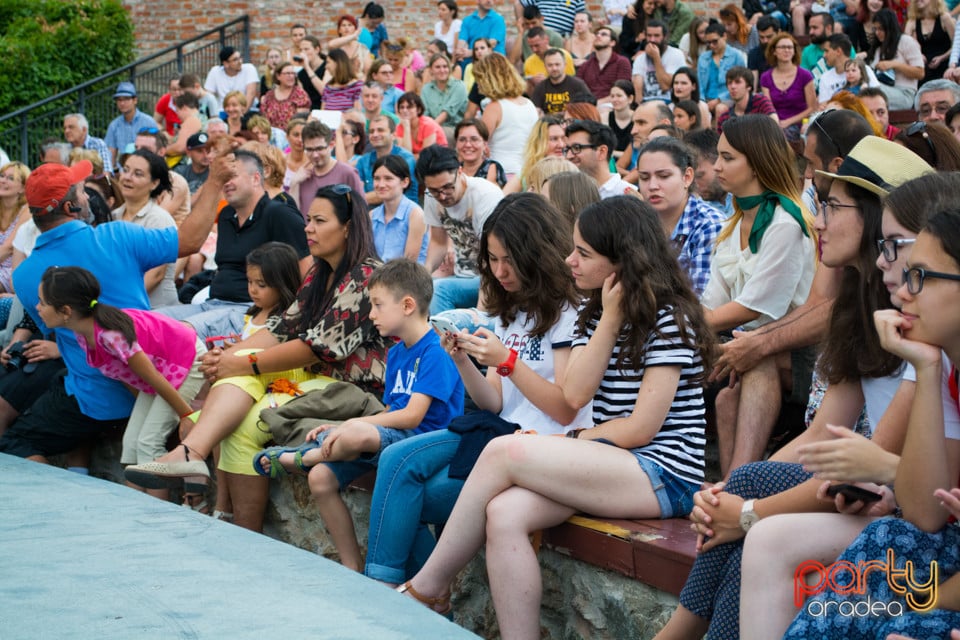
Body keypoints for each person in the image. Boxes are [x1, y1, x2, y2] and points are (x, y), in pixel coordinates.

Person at [658, 130, 937, 640]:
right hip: (863, 486)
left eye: (831, 206)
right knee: (742, 488)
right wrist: (731, 499)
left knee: (756, 521)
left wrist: (742, 514)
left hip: (891, 500)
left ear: (876, 220)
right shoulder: (859, 306)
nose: (819, 220)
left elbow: (869, 461)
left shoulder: (919, 320)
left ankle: (680, 634)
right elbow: (820, 437)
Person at [396, 194, 713, 638]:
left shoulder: (670, 318)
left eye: (583, 253)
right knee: (504, 513)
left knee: (502, 450)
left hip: (662, 472)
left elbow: (643, 428)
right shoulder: (592, 314)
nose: (570, 261)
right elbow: (578, 390)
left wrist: (576, 440)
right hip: (611, 461)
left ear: (622, 261)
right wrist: (609, 316)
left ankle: (429, 586)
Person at [738, 171, 960, 640]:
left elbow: (919, 507)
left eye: (917, 274)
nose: (900, 287)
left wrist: (747, 512)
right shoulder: (934, 359)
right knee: (751, 494)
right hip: (913, 528)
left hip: (921, 536)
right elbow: (832, 443)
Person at [125, 185, 390, 532]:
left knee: (250, 420)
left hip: (353, 390)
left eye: (319, 220)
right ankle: (193, 456)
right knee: (238, 369)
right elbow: (282, 329)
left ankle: (240, 527)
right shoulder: (319, 273)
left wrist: (242, 362)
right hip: (313, 380)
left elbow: (317, 347)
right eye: (308, 219)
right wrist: (226, 357)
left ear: (348, 228)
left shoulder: (366, 276)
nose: (307, 228)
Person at [362, 192, 590, 586]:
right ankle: (404, 593)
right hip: (498, 433)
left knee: (411, 493)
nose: (500, 271)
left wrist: (507, 361)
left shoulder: (569, 313)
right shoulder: (513, 310)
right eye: (493, 260)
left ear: (537, 252)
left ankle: (403, 593)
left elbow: (565, 408)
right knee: (396, 461)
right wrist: (463, 360)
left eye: (509, 259)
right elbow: (494, 401)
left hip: (540, 445)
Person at [0, 150, 218, 464]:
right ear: (70, 206)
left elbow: (60, 335)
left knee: (15, 442)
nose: (87, 195)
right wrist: (215, 182)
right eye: (81, 191)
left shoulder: (24, 275)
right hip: (136, 384)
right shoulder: (117, 235)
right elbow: (191, 241)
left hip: (95, 397)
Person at [254, 259, 463, 570]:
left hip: (422, 442)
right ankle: (352, 567)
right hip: (393, 439)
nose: (371, 314)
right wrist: (342, 426)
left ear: (407, 305)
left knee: (357, 433)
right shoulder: (396, 353)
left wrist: (353, 424)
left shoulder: (434, 352)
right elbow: (393, 410)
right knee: (322, 479)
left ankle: (305, 457)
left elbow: (412, 417)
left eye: (377, 305)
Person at [700, 115, 818, 474]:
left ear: (757, 161)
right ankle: (725, 484)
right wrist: (687, 325)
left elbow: (755, 307)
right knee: (726, 398)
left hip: (800, 349)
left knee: (755, 356)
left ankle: (739, 482)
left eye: (728, 157)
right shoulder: (732, 223)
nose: (717, 166)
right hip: (749, 338)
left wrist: (684, 325)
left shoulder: (785, 221)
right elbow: (714, 302)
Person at [37, 265, 206, 498]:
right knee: (132, 442)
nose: (38, 308)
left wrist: (185, 416)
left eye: (42, 302)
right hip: (162, 372)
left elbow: (151, 376)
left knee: (149, 443)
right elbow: (132, 377)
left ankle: (158, 517)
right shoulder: (84, 332)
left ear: (65, 310)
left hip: (185, 360)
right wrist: (150, 411)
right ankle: (134, 507)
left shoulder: (110, 334)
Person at [160, 149, 310, 340]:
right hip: (213, 303)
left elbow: (307, 271)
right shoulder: (225, 216)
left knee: (178, 333)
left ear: (256, 178)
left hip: (250, 311)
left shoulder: (280, 214)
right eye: (224, 178)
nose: (226, 183)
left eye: (232, 176)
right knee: (148, 321)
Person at [418, 145, 504, 315]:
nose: (442, 196)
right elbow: (438, 242)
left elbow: (493, 256)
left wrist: (479, 313)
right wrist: (424, 275)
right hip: (462, 276)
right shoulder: (431, 195)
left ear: (460, 171)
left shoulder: (485, 196)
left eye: (447, 187)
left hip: (494, 276)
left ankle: (442, 340)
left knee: (439, 290)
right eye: (435, 191)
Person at [635, 136, 725, 296]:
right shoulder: (635, 222)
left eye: (663, 176)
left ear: (687, 177)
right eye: (644, 178)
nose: (652, 186)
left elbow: (700, 302)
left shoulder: (709, 224)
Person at [113, 149, 178, 309]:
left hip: (154, 309)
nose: (127, 177)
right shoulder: (114, 216)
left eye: (138, 174)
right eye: (126, 170)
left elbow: (156, 275)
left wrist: (118, 303)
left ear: (154, 183)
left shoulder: (158, 219)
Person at [474, 53, 538, 177]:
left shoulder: (494, 107)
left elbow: (478, 143)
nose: (478, 84)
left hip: (501, 172)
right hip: (527, 170)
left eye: (479, 79)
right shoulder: (529, 104)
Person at [289, 121, 364, 218]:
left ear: (331, 145)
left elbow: (361, 211)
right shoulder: (302, 176)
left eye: (320, 149)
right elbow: (294, 215)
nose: (315, 155)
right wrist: (294, 183)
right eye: (310, 150)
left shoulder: (347, 173)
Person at [370, 156, 428, 263]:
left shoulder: (415, 214)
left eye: (388, 178)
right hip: (378, 275)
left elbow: (408, 263)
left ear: (405, 182)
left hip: (407, 276)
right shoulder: (372, 215)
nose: (381, 184)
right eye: (377, 178)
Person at [759, 33, 815, 139]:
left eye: (790, 47)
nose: (787, 50)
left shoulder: (805, 75)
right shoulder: (765, 77)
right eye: (782, 47)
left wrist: (788, 122)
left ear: (794, 51)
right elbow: (768, 107)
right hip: (774, 123)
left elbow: (812, 108)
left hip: (799, 124)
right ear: (774, 51)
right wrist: (777, 123)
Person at [563, 120, 638, 199]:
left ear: (602, 152)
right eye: (567, 149)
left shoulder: (626, 194)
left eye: (576, 148)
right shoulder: (567, 192)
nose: (568, 156)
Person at [868, 8, 925, 110]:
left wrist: (894, 64)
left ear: (889, 28)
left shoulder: (906, 41)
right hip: (884, 88)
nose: (877, 33)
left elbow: (920, 73)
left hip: (905, 93)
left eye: (881, 29)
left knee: (869, 88)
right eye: (875, 29)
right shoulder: (878, 49)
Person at [356, 114, 418, 206]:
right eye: (372, 131)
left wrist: (362, 198)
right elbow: (356, 193)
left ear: (393, 135)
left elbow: (394, 193)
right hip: (370, 215)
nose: (375, 134)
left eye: (380, 130)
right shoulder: (363, 161)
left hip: (404, 214)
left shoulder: (405, 159)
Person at [104, 82, 160, 172]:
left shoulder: (149, 122)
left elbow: (157, 149)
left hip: (146, 169)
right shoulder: (114, 125)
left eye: (126, 99)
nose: (122, 103)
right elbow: (110, 155)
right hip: (123, 171)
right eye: (119, 100)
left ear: (135, 100)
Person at [503, 115, 565, 194]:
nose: (561, 144)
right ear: (538, 142)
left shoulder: (571, 169)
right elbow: (503, 200)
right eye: (554, 139)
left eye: (563, 138)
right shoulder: (525, 175)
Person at [632, 21, 687, 104]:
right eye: (649, 36)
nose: (652, 40)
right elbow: (638, 92)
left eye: (656, 36)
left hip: (670, 102)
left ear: (665, 37)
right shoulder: (640, 59)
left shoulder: (676, 54)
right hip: (647, 103)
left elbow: (665, 86)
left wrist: (656, 58)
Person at [697, 22, 748, 112]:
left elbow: (741, 83)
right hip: (706, 98)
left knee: (720, 108)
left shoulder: (736, 56)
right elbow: (699, 83)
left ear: (724, 36)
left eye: (715, 41)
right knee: (700, 107)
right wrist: (702, 101)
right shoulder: (703, 57)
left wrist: (719, 100)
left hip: (729, 98)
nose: (711, 45)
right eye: (709, 43)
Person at [575, 25, 631, 104]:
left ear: (612, 42)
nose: (598, 36)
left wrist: (598, 103)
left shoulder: (622, 62)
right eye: (597, 34)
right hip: (588, 106)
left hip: (614, 104)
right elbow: (577, 89)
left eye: (603, 34)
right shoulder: (586, 65)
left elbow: (623, 90)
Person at [904, 0, 955, 82]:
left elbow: (956, 45)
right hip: (924, 69)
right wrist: (918, 54)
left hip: (944, 69)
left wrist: (942, 57)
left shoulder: (944, 18)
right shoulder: (912, 21)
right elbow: (905, 44)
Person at [529, 48, 590, 116]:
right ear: (545, 67)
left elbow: (589, 108)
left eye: (557, 64)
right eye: (550, 65)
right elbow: (535, 111)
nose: (554, 68)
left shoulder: (578, 85)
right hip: (548, 124)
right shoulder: (540, 87)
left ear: (565, 65)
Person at [716, 65, 778, 132]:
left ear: (749, 86)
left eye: (737, 82)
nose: (732, 86)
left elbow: (774, 123)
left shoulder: (761, 102)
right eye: (729, 83)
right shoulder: (724, 118)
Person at [420, 54, 468, 132]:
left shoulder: (459, 86)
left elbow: (446, 113)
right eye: (437, 67)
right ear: (431, 70)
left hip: (454, 129)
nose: (442, 70)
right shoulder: (426, 89)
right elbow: (424, 114)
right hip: (432, 128)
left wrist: (429, 131)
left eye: (445, 66)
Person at [204, 46, 259, 112]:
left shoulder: (249, 69)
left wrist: (242, 114)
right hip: (223, 112)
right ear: (226, 64)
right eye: (235, 60)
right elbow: (208, 96)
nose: (240, 61)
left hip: (247, 110)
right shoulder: (215, 72)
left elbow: (251, 93)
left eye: (240, 57)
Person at [454, 119, 506, 187]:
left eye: (474, 139)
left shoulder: (492, 168)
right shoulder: (452, 170)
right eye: (462, 140)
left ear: (485, 144)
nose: (468, 145)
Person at [259, 62, 311, 129]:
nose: (291, 76)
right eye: (287, 73)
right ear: (278, 76)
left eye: (293, 73)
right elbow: (263, 119)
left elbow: (301, 120)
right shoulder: (269, 95)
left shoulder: (300, 94)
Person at [395, 92, 449, 158]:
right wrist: (406, 127)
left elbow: (426, 156)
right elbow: (405, 154)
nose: (405, 110)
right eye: (402, 107)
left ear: (419, 110)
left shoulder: (428, 124)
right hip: (417, 160)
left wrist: (410, 158)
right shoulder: (401, 126)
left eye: (409, 107)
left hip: (439, 158)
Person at [327, 14, 372, 80]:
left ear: (355, 29)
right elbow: (331, 45)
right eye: (343, 25)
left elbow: (368, 72)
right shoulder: (336, 47)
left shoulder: (362, 48)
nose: (346, 28)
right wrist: (352, 37)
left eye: (350, 25)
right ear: (339, 30)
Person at [295, 36, 327, 110]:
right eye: (301, 50)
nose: (303, 52)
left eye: (306, 49)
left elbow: (325, 93)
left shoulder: (327, 67)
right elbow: (302, 98)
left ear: (317, 50)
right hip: (309, 111)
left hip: (325, 108)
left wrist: (307, 68)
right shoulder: (301, 74)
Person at [607, 80, 637, 157]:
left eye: (619, 96)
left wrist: (613, 153)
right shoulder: (605, 118)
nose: (614, 99)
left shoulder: (638, 118)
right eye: (612, 96)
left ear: (630, 98)